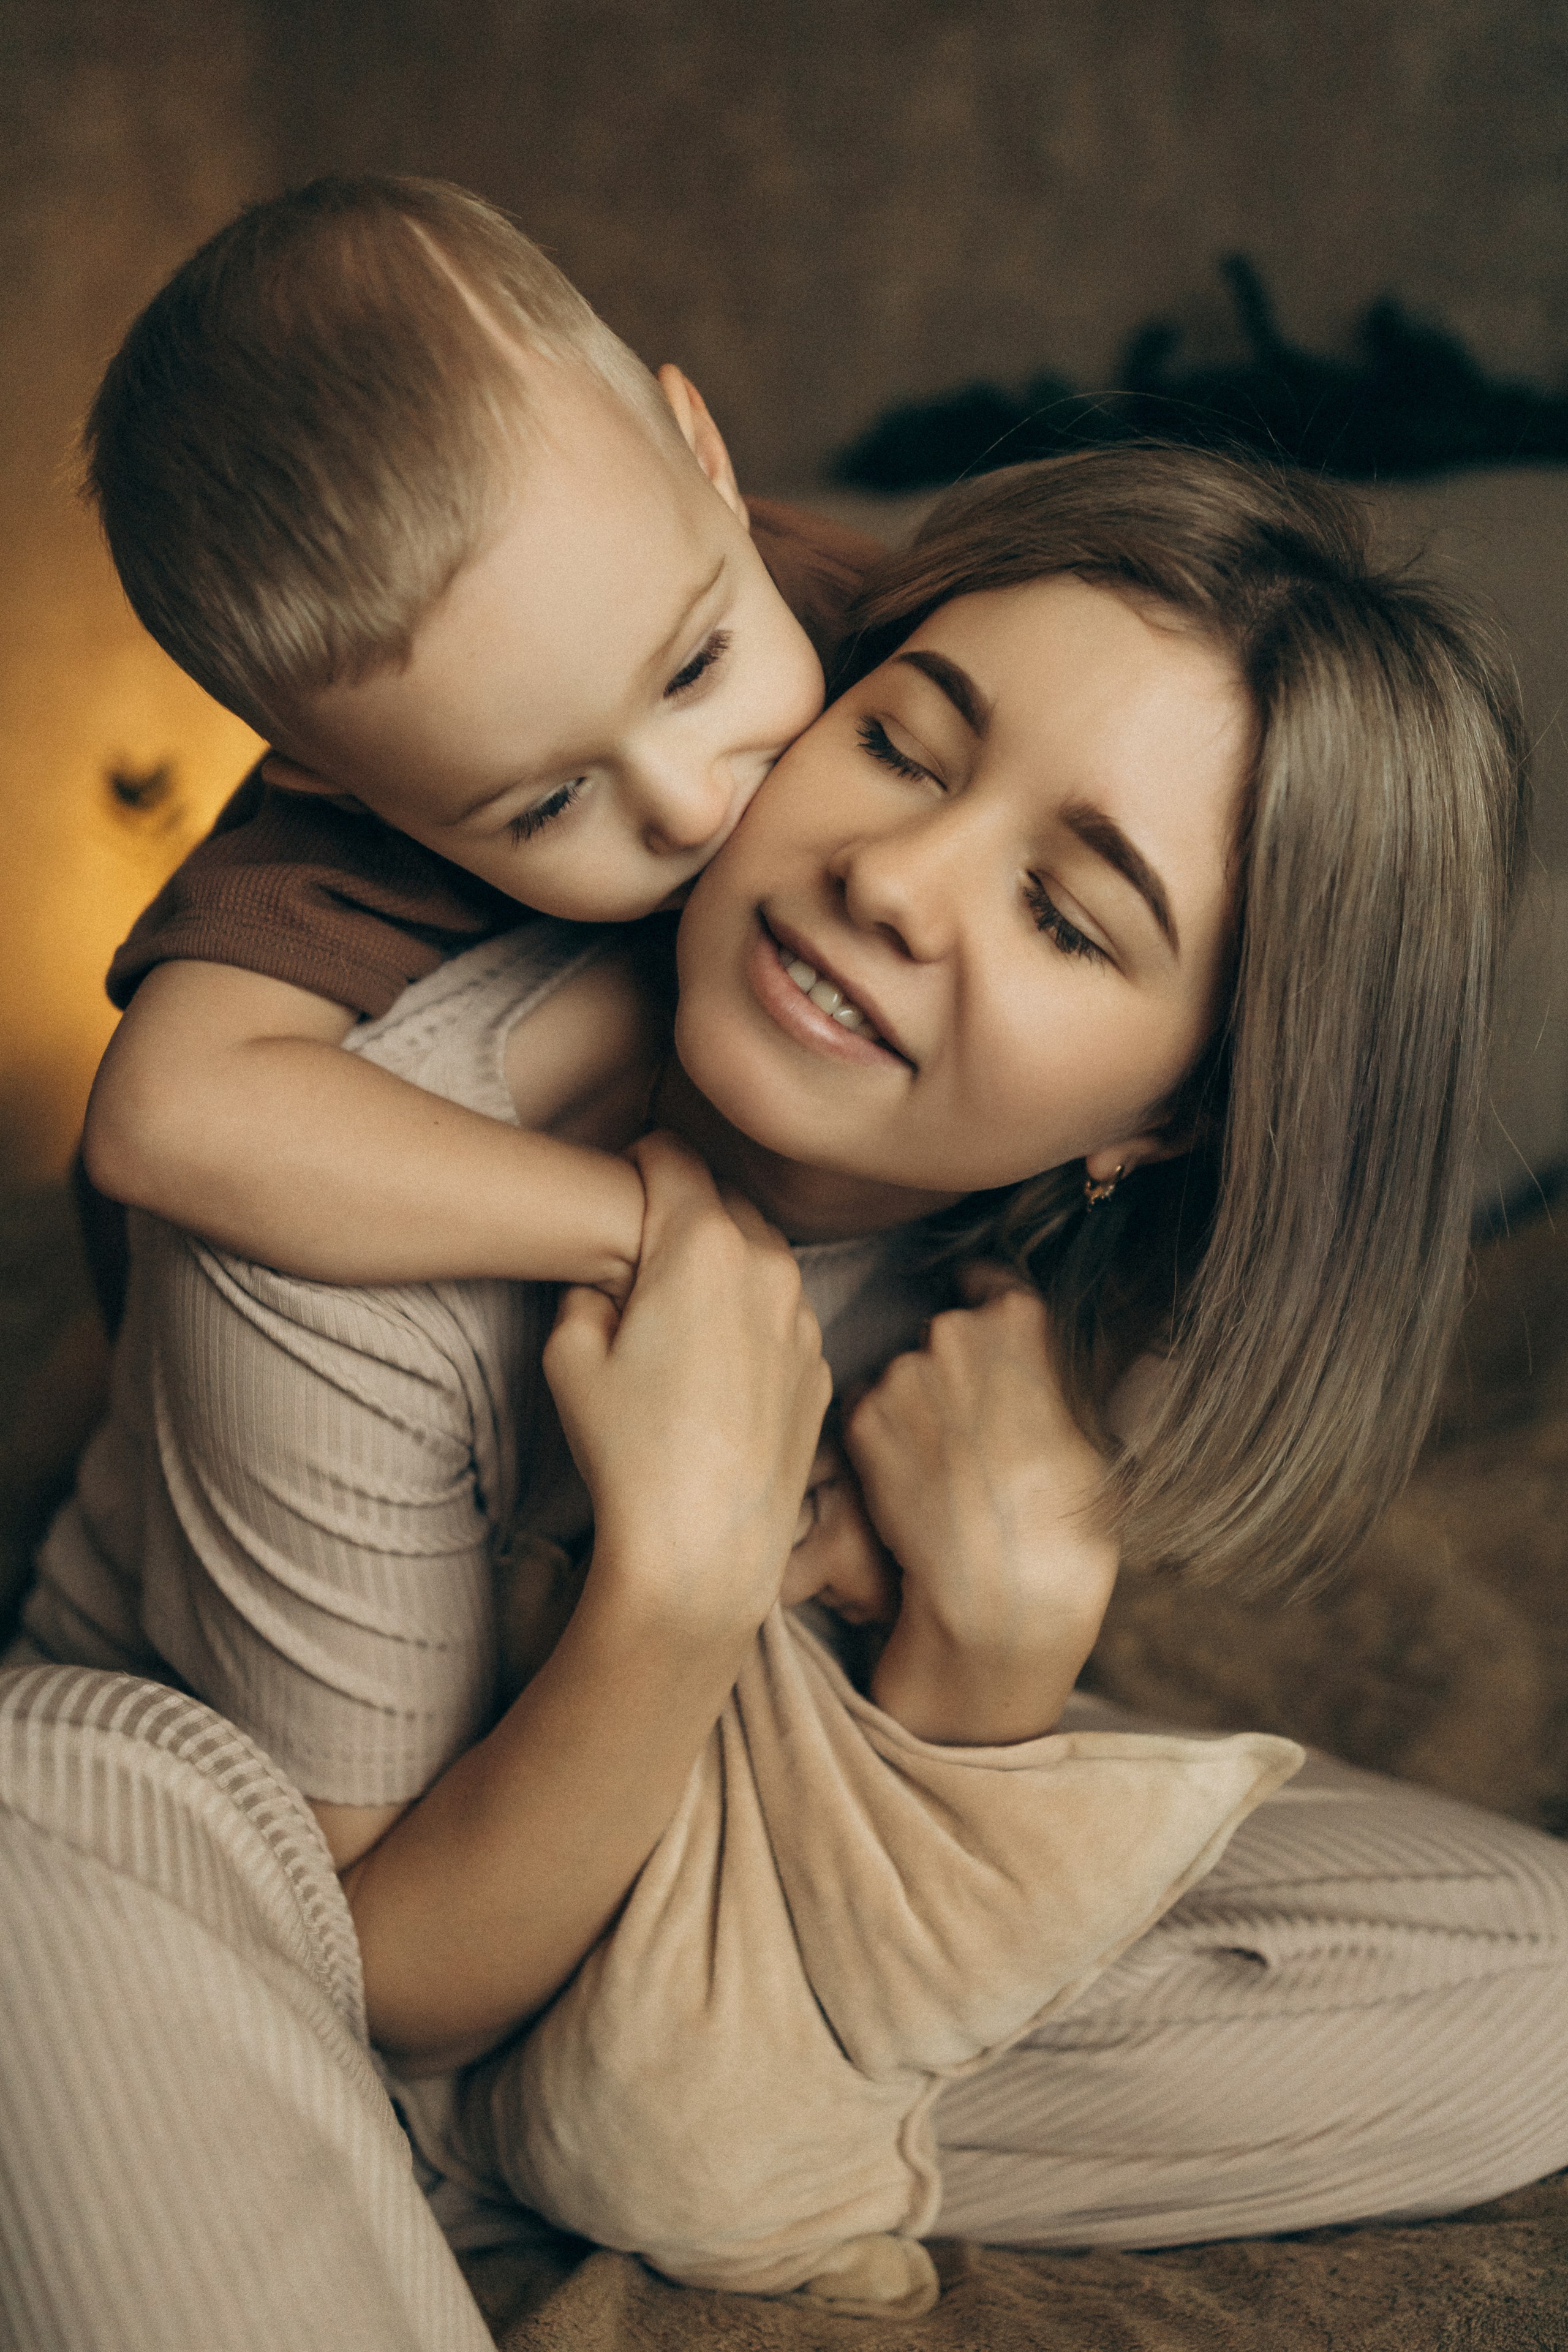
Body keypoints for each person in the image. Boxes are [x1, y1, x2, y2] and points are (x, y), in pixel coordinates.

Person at [5, 448, 1566, 2352]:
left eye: (1068, 919)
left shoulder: (1062, 1273)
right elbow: (382, 1979)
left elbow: (840, 1770)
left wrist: (981, 1678)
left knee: (1534, 1977)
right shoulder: (354, 1184)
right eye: (904, 746)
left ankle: (670, 2116)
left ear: (1171, 1116)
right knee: (50, 1796)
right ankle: (539, 2139)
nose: (890, 883)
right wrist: (683, 1570)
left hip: (714, 1870)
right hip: (306, 1932)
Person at [79, 173, 875, 1305]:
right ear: (336, 781)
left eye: (697, 668)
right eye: (546, 807)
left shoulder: (878, 620)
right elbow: (160, 1122)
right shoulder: (332, 837)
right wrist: (641, 1230)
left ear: (705, 458)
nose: (691, 807)